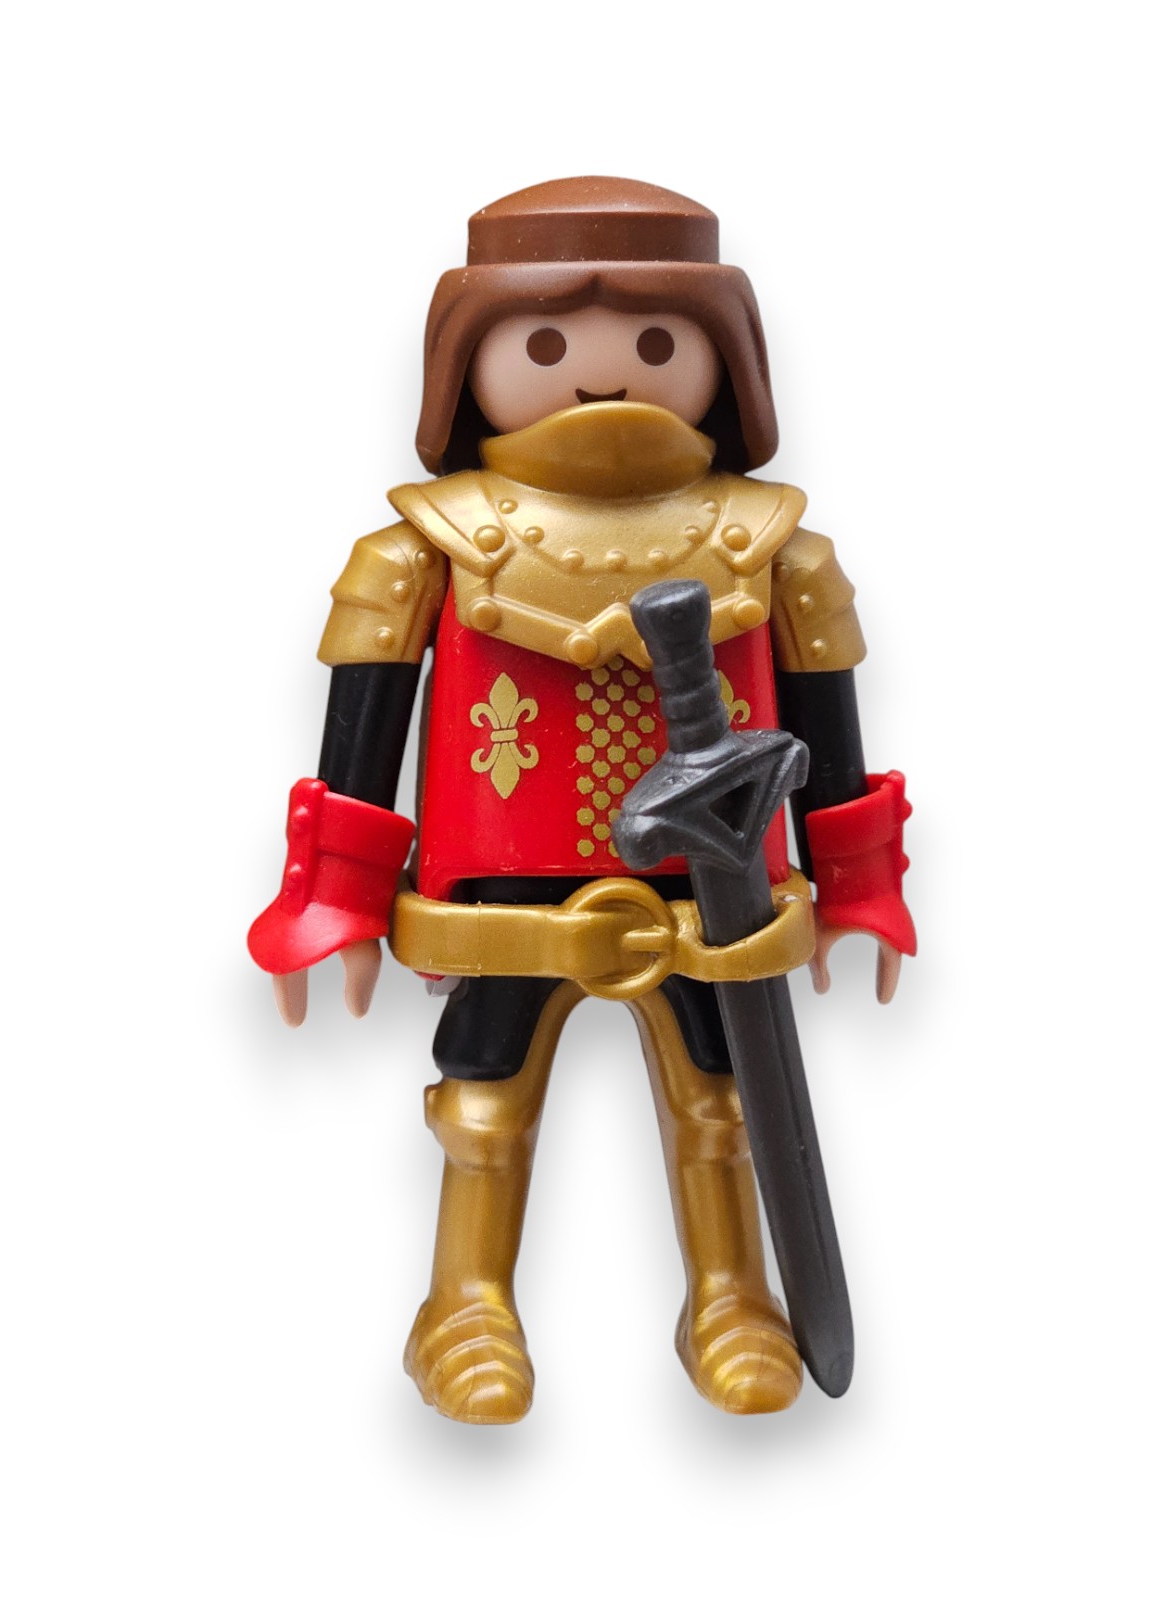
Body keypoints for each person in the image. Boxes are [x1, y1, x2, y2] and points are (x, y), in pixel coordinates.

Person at [249, 177, 915, 1423]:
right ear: (468, 361)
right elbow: (365, 730)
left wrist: (858, 880)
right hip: (502, 881)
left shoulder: (774, 549)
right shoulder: (424, 551)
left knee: (722, 1103)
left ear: (725, 360)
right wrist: (332, 899)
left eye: (657, 346)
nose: (605, 380)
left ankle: (729, 1295)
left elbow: (827, 726)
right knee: (483, 1105)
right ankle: (463, 1305)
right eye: (546, 348)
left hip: (713, 885)